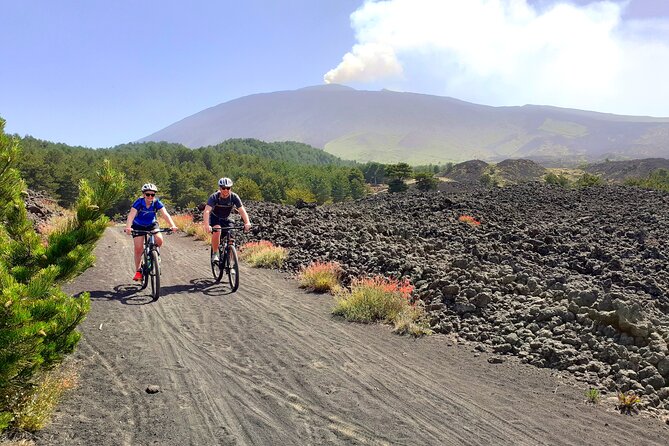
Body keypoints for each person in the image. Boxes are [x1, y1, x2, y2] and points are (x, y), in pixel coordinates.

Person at [124, 183, 178, 281]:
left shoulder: (157, 203)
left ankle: (155, 255)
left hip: (152, 224)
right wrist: (128, 227)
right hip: (138, 225)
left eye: (152, 195)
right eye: (148, 194)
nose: (150, 197)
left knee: (159, 240)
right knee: (138, 248)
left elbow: (165, 214)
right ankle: (138, 271)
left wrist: (172, 225)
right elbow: (131, 215)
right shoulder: (139, 203)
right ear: (144, 194)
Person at [203, 177, 251, 262]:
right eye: (223, 188)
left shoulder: (234, 197)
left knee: (231, 238)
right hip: (215, 218)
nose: (225, 190)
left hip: (227, 218)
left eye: (228, 188)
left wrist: (247, 222)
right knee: (217, 230)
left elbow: (242, 210)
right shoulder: (214, 197)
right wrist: (207, 225)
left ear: (230, 188)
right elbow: (207, 211)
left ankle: (231, 262)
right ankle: (215, 253)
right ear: (220, 188)